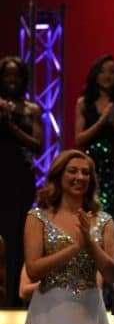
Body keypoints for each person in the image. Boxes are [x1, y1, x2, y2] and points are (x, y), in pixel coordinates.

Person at [13, 149, 114, 324]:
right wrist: (75, 248)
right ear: (59, 176)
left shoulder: (104, 221)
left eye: (85, 172)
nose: (79, 177)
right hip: (50, 310)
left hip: (90, 311)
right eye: (73, 171)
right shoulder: (38, 217)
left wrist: (90, 244)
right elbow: (33, 268)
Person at [75, 54, 114, 233]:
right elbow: (79, 139)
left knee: (110, 208)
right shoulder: (84, 103)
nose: (107, 76)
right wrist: (101, 122)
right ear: (95, 75)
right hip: (91, 165)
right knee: (91, 206)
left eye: (112, 72)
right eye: (102, 71)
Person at [0, 56, 42, 307]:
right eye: (7, 75)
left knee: (16, 235)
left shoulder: (31, 109)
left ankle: (13, 300)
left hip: (20, 177)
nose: (12, 80)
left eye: (16, 75)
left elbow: (37, 145)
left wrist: (10, 124)